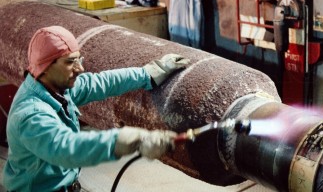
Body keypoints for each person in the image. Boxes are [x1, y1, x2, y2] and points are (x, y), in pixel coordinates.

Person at [3, 25, 190, 192]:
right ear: (45, 67)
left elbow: (102, 82)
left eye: (78, 59)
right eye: (70, 62)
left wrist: (148, 73)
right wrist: (125, 140)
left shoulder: (54, 87)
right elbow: (66, 148)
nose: (80, 68)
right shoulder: (31, 115)